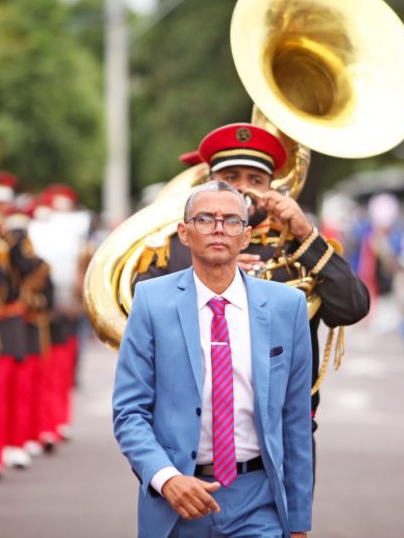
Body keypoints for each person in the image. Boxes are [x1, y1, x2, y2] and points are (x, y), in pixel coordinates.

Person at [136, 123, 369, 430]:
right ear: (208, 183)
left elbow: (352, 307)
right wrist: (210, 275)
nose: (242, 188)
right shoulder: (174, 247)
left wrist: (304, 233)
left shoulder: (296, 250)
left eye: (255, 180)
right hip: (189, 426)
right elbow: (137, 318)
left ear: (271, 189)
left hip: (280, 426)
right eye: (230, 178)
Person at [114, 180, 313, 537]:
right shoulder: (150, 301)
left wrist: (298, 522)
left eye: (232, 220)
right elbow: (129, 412)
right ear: (184, 233)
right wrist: (167, 478)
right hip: (176, 499)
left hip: (258, 499)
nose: (219, 228)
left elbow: (295, 421)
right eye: (205, 219)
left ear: (247, 235)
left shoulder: (288, 306)